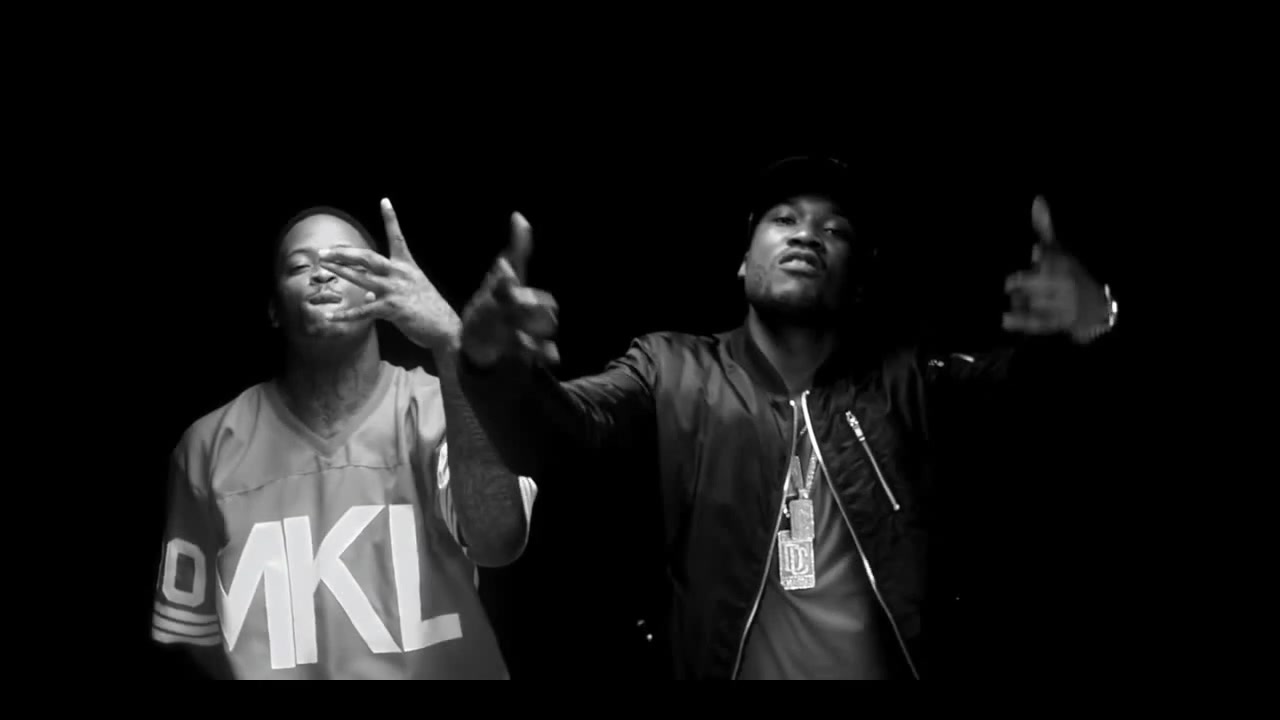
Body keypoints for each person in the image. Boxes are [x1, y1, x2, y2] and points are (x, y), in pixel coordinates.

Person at [454, 156, 1122, 680]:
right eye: (784, 219)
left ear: (856, 279)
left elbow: (1044, 408)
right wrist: (490, 365)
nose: (807, 234)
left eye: (834, 230)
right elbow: (560, 436)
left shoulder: (910, 381)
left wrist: (1092, 325)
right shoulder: (670, 367)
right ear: (743, 262)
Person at [150, 199, 536, 679]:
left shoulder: (441, 410)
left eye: (345, 263)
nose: (322, 274)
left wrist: (453, 346)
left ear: (380, 291)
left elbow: (498, 542)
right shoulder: (207, 447)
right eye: (300, 266)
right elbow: (193, 643)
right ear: (273, 309)